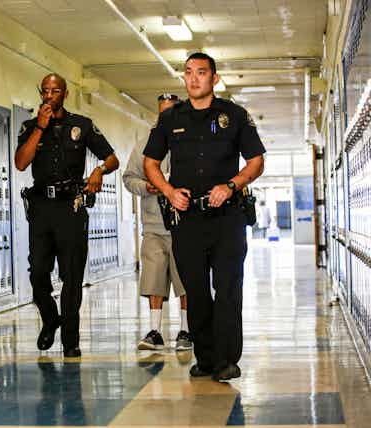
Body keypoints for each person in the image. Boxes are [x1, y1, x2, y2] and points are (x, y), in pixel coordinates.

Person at [143, 52, 265, 382]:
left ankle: (226, 359)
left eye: (201, 72)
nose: (194, 78)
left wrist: (231, 184)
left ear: (214, 78)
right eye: (188, 73)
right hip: (187, 219)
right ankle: (205, 357)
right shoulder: (170, 119)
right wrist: (169, 191)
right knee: (195, 291)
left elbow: (256, 161)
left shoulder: (234, 115)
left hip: (227, 217)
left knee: (227, 288)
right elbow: (150, 163)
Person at [15, 73, 119, 358]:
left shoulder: (81, 126)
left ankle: (70, 341)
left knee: (72, 276)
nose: (49, 96)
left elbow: (112, 158)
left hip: (71, 207)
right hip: (41, 208)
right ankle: (50, 319)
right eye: (45, 91)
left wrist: (98, 170)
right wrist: (40, 127)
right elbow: (21, 163)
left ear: (65, 94)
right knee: (37, 272)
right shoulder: (29, 127)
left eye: (55, 91)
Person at [123, 93, 192, 352]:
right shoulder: (144, 145)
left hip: (184, 224)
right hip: (154, 224)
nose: (166, 117)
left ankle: (186, 330)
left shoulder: (190, 142)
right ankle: (154, 331)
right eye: (162, 112)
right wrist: (146, 187)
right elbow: (129, 178)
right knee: (153, 278)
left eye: (171, 112)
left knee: (185, 279)